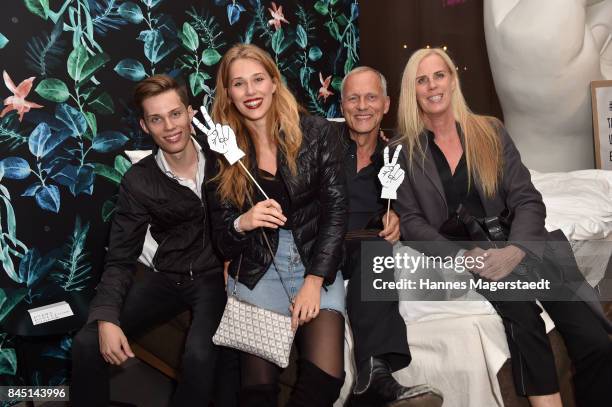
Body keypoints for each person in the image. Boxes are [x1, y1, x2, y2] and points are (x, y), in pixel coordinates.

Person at [393, 47, 612, 407]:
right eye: (421, 79)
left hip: (524, 243)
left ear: (452, 80)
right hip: (475, 254)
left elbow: (527, 198)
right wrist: (464, 256)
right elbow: (413, 224)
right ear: (412, 90)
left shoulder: (490, 130)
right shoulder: (404, 152)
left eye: (439, 75)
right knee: (524, 317)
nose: (432, 86)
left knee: (595, 339)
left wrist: (518, 249)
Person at [71, 75, 237, 407]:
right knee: (87, 342)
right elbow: (120, 257)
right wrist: (106, 317)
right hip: (168, 275)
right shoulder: (139, 180)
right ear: (145, 126)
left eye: (175, 114)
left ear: (191, 114)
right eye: (156, 119)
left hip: (213, 277)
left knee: (200, 356)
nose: (169, 126)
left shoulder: (224, 159)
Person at [204, 43, 347, 407]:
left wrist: (315, 281)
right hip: (257, 267)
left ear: (273, 82)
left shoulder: (316, 132)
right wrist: (243, 221)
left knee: (326, 378)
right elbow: (223, 240)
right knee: (258, 391)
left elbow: (336, 212)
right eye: (239, 84)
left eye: (257, 80)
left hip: (315, 259)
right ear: (229, 93)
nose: (250, 92)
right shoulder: (222, 150)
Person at [337, 66, 443, 407]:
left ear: (386, 104)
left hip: (365, 244)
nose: (362, 106)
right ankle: (373, 380)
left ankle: (374, 375)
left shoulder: (399, 156)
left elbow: (420, 209)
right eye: (353, 98)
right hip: (323, 245)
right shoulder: (321, 147)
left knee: (377, 248)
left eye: (371, 97)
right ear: (341, 106)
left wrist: (397, 215)